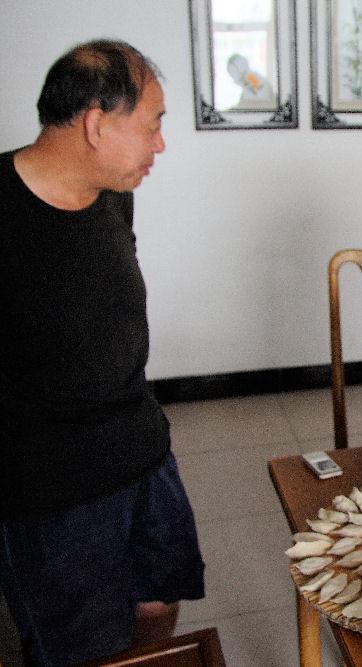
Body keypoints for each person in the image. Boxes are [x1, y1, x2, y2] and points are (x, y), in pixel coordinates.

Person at [0, 40, 205, 665]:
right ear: (96, 124)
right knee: (81, 647)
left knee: (157, 601)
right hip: (50, 493)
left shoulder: (113, 192)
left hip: (141, 452)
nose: (161, 145)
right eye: (153, 124)